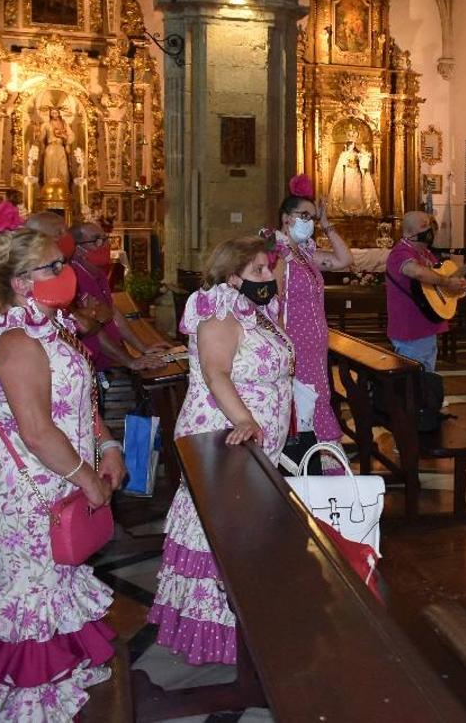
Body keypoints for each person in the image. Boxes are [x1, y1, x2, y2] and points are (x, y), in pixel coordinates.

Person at [0, 201, 125, 721]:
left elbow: (79, 403)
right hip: (29, 496)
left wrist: (108, 446)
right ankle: (30, 702)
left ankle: (64, 673)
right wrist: (87, 479)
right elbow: (36, 429)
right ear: (21, 281)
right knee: (33, 597)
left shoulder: (52, 329)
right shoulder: (15, 342)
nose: (66, 273)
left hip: (63, 480)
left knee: (62, 582)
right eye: (53, 266)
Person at [149, 235, 294, 665]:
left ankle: (243, 620)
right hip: (224, 435)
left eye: (269, 268)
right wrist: (246, 420)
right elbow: (216, 374)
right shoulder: (219, 314)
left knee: (244, 529)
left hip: (255, 439)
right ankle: (211, 633)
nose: (270, 277)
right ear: (232, 278)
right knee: (218, 531)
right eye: (259, 271)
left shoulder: (257, 311)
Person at [270, 174, 352, 470]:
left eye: (312, 217)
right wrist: (284, 349)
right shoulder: (279, 254)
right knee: (307, 404)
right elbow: (274, 303)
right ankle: (309, 467)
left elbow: (344, 260)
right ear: (285, 218)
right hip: (296, 345)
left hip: (315, 346)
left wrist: (328, 225)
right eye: (303, 215)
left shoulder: (303, 254)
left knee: (317, 399)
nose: (309, 221)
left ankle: (318, 466)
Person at [68, 221, 168, 370]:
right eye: (96, 240)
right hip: (92, 365)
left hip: (109, 360)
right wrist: (130, 362)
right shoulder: (74, 278)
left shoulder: (98, 273)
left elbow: (112, 312)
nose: (105, 245)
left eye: (105, 238)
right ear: (78, 250)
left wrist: (143, 348)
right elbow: (95, 330)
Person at [385, 211, 466, 372]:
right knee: (414, 380)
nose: (429, 230)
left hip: (426, 325)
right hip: (410, 328)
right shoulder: (400, 252)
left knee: (426, 377)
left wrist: (457, 287)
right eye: (423, 226)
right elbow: (418, 272)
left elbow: (438, 281)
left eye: (429, 225)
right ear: (409, 231)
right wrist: (448, 282)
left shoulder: (426, 254)